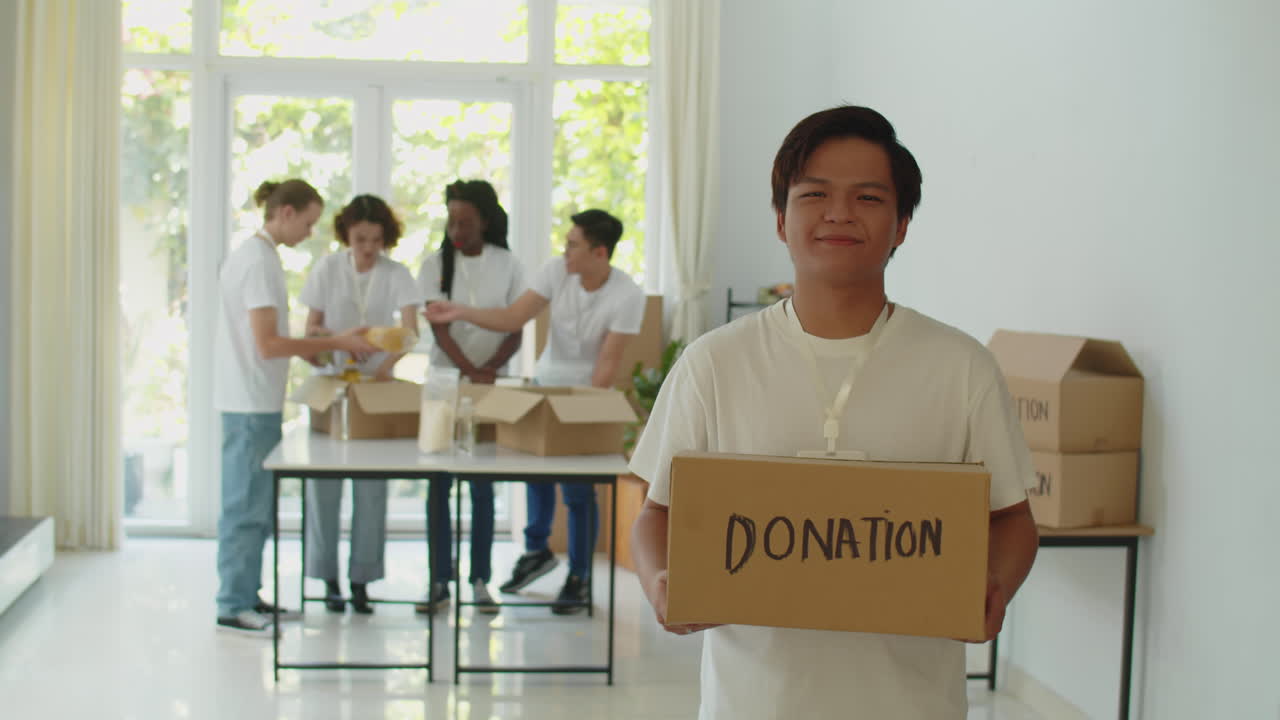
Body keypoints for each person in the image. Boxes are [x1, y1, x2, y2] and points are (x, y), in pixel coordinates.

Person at [628, 106, 1041, 718]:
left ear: (902, 225)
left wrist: (993, 588)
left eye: (868, 198)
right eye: (814, 194)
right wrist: (661, 580)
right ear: (781, 219)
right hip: (754, 701)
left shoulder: (961, 367)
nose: (839, 214)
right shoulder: (714, 363)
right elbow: (656, 514)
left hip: (911, 701)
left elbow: (1012, 520)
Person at [424, 208, 645, 615]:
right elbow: (513, 317)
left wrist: (582, 417)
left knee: (578, 491)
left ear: (600, 253)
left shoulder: (628, 296)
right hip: (545, 383)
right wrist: (458, 311)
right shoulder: (556, 272)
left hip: (586, 394)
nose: (566, 251)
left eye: (574, 244)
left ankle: (578, 577)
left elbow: (607, 364)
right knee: (535, 474)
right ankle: (537, 551)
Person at [214, 179, 378, 635]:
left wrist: (322, 347)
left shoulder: (258, 257)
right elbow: (267, 345)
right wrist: (336, 341)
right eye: (307, 222)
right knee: (246, 506)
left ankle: (247, 595)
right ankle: (232, 603)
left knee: (255, 505)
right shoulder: (258, 262)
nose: (310, 233)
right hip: (248, 402)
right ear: (285, 213)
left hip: (254, 400)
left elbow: (270, 339)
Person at [298, 194, 423, 614]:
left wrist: (388, 363)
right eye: (360, 239)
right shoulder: (328, 269)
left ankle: (362, 580)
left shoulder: (397, 274)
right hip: (330, 384)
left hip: (375, 388)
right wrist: (337, 338)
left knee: (371, 489)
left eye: (375, 239)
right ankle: (328, 578)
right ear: (346, 236)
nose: (368, 248)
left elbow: (411, 331)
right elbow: (310, 327)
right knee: (324, 487)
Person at [412, 180, 524, 615]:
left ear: (486, 221)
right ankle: (439, 580)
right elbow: (439, 327)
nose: (456, 227)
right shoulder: (435, 264)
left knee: (482, 485)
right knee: (439, 482)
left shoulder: (508, 264)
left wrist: (488, 371)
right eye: (451, 219)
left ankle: (480, 580)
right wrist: (467, 370)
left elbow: (516, 324)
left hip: (492, 384)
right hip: (442, 384)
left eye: (466, 220)